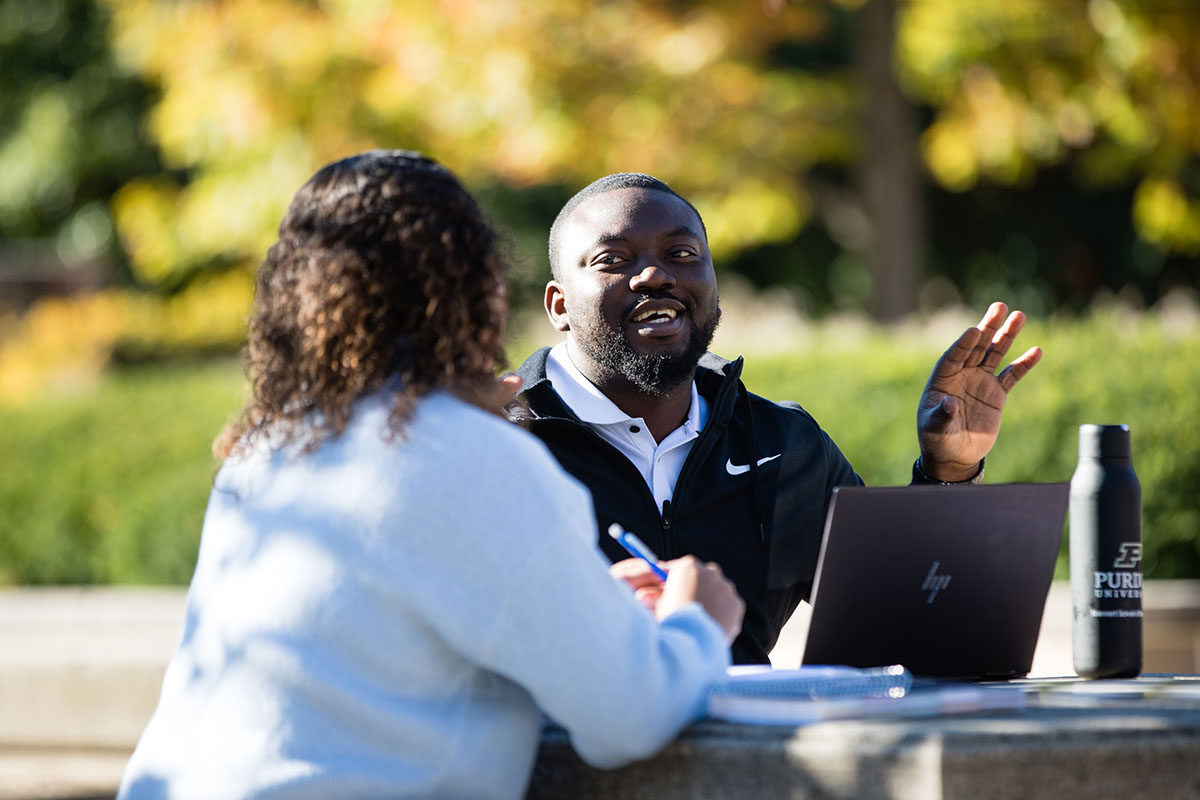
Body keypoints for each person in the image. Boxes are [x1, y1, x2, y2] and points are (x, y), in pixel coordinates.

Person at [117, 153, 744, 800]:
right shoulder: (473, 453)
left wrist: (581, 600)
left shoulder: (273, 446)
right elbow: (630, 719)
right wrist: (696, 622)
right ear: (476, 290)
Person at [508, 172, 1042, 665]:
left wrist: (947, 471)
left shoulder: (786, 446)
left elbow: (909, 624)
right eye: (612, 260)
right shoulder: (501, 441)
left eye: (681, 252)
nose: (655, 275)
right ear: (558, 305)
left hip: (753, 764)